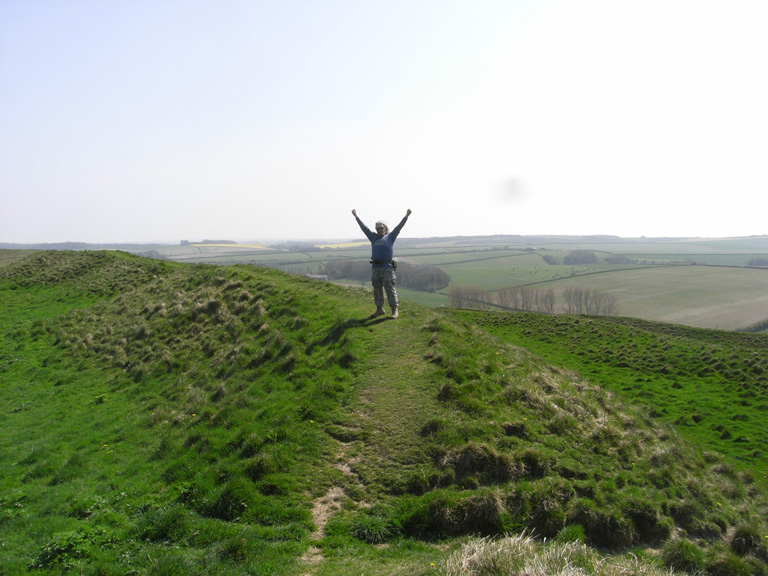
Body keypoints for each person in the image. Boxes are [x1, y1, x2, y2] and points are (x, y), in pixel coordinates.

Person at [352, 208, 412, 318]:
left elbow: (399, 227)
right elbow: (364, 228)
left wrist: (406, 216)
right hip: (375, 267)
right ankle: (379, 309)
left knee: (389, 287)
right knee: (377, 288)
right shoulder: (373, 237)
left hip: (387, 267)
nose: (379, 230)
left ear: (385, 228)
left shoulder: (390, 237)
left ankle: (394, 310)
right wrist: (356, 217)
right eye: (377, 228)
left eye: (381, 228)